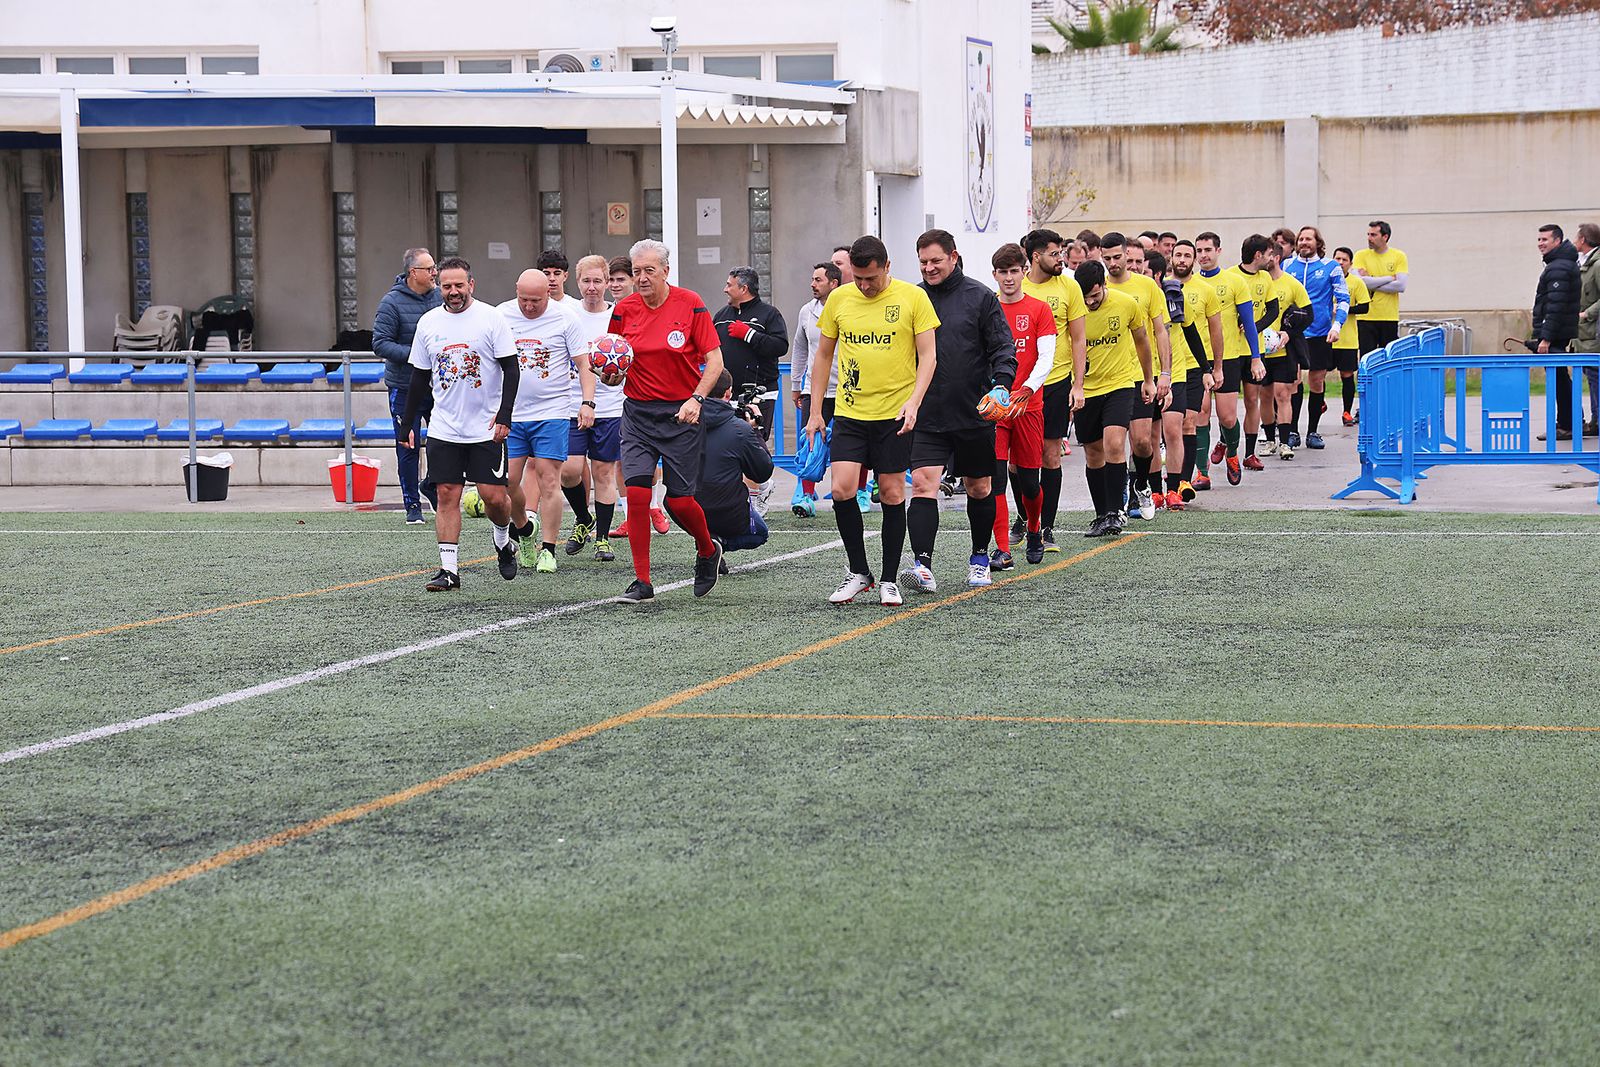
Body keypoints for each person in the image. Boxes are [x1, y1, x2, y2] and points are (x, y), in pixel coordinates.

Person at [804, 234, 938, 606]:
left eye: (871, 279)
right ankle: (860, 572)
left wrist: (914, 402)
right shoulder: (839, 298)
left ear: (888, 268)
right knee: (843, 489)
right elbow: (823, 357)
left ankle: (890, 579)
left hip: (894, 414)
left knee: (893, 494)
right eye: (858, 279)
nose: (864, 286)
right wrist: (816, 411)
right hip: (849, 412)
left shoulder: (913, 298)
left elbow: (928, 357)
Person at [607, 239, 727, 602]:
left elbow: (715, 361)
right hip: (639, 414)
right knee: (639, 494)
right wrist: (608, 376)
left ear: (665, 271)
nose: (641, 278)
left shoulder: (690, 304)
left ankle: (707, 550)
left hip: (682, 414)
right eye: (636, 271)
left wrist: (697, 398)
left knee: (678, 502)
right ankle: (642, 581)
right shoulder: (623, 309)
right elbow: (613, 360)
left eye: (649, 271)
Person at [904, 229, 1017, 591]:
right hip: (927, 413)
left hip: (973, 413)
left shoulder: (980, 297)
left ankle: (980, 557)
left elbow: (1002, 347)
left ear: (954, 257)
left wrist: (1001, 385)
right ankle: (922, 565)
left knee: (979, 487)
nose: (929, 267)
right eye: (923, 262)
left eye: (936, 260)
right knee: (923, 485)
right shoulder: (912, 298)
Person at [400, 257, 520, 591]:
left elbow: (512, 369)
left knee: (494, 498)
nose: (453, 292)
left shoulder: (491, 318)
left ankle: (503, 542)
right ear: (439, 285)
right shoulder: (428, 323)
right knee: (447, 493)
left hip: (486, 427)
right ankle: (449, 570)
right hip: (444, 427)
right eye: (447, 286)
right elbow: (419, 377)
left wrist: (505, 414)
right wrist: (407, 423)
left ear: (471, 284)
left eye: (459, 285)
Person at [496, 270, 595, 573]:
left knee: (549, 480)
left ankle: (549, 549)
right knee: (508, 483)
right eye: (524, 299)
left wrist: (587, 402)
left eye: (536, 301)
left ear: (548, 295)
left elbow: (583, 364)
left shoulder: (566, 317)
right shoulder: (501, 315)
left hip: (551, 412)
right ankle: (525, 530)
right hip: (512, 414)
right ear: (516, 291)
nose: (529, 306)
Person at [1072, 259, 1155, 537]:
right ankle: (1101, 514)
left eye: (1095, 295)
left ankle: (1114, 512)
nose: (1090, 302)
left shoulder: (1125, 304)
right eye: (1085, 298)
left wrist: (1148, 379)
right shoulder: (1075, 307)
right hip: (1086, 389)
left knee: (1115, 443)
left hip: (1120, 383)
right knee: (1094, 454)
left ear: (1104, 285)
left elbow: (1142, 340)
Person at [1020, 228, 1088, 552]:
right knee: (1016, 462)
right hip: (1021, 387)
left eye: (1061, 253)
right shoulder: (1017, 287)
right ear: (1036, 256)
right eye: (1054, 253)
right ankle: (1025, 517)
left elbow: (1078, 338)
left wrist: (1078, 385)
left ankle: (1046, 528)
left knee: (1050, 456)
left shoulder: (1069, 287)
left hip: (1057, 384)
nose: (1060, 258)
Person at [989, 243, 1056, 566]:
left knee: (1030, 484)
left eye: (1014, 271)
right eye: (1003, 272)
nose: (1009, 278)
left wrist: (1027, 389)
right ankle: (1002, 549)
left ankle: (1033, 528)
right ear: (995, 275)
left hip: (1029, 408)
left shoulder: (1040, 309)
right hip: (996, 410)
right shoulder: (988, 309)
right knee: (995, 479)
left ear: (1024, 272)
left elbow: (1046, 357)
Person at [1103, 231, 1171, 520]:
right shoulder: (1097, 287)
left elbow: (1160, 330)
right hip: (1109, 377)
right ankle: (1119, 494)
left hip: (1142, 374)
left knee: (1143, 442)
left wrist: (1164, 373)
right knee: (1114, 443)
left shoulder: (1147, 287)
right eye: (1109, 258)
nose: (1116, 263)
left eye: (1120, 257)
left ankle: (1141, 483)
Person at [560, 254, 622, 563]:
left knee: (603, 472)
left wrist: (618, 374)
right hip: (570, 405)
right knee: (569, 471)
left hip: (610, 407)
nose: (593, 287)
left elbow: (630, 359)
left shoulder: (618, 315)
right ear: (577, 281)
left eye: (599, 281)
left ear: (608, 282)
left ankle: (602, 540)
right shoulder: (566, 314)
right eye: (587, 281)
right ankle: (584, 517)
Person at [373, 247, 442, 524]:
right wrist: (416, 356)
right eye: (430, 268)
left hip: (439, 386)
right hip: (404, 386)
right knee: (408, 445)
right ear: (414, 273)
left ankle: (432, 485)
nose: (435, 273)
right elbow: (380, 343)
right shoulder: (391, 303)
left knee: (444, 444)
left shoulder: (440, 297)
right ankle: (412, 505)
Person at [1196, 231, 1265, 486]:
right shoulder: (1189, 284)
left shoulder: (1235, 282)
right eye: (1199, 251)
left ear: (1218, 251)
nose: (1203, 255)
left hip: (1228, 359)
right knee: (1200, 414)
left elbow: (1248, 322)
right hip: (1197, 361)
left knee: (1226, 416)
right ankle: (1201, 472)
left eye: (1207, 250)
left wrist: (1256, 358)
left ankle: (1233, 454)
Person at [1167, 239, 1225, 505]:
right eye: (1178, 254)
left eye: (1186, 255)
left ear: (1193, 260)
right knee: (1171, 427)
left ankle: (1183, 483)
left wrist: (1216, 367)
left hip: (1195, 367)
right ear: (1171, 257)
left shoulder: (1205, 290)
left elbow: (1215, 330)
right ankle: (1166, 482)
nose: (1182, 259)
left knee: (1189, 422)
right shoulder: (1162, 288)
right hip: (1170, 365)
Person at [696, 370, 776, 560]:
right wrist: (755, 430)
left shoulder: (686, 420)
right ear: (728, 393)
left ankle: (706, 540)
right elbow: (762, 472)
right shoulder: (740, 429)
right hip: (727, 509)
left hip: (684, 509)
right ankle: (716, 545)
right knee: (759, 534)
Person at [1283, 225, 1350, 450]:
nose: (1304, 242)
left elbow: (1343, 299)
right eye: (1301, 239)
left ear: (1318, 243)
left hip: (1320, 332)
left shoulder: (1331, 267)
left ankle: (1313, 431)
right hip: (1292, 334)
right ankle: (1292, 431)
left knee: (1316, 381)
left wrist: (1337, 326)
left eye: (1308, 239)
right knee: (1292, 382)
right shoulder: (1287, 265)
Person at [712, 265, 789, 452]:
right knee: (726, 443)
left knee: (754, 443)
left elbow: (780, 346)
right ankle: (734, 482)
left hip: (759, 395)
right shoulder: (721, 316)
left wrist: (749, 335)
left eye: (729, 285)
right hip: (726, 394)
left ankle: (760, 481)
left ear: (743, 289)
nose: (725, 289)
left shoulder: (769, 314)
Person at [790, 261, 844, 517]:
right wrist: (795, 383)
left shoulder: (848, 307)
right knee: (810, 439)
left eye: (818, 280)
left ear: (834, 283)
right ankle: (805, 495)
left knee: (845, 445)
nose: (813, 284)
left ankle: (848, 492)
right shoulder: (806, 311)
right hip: (815, 389)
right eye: (812, 279)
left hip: (845, 389)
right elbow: (800, 348)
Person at [1259, 245, 1312, 460]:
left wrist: (1288, 332)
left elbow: (1309, 314)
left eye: (1268, 254)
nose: (1264, 258)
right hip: (1260, 350)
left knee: (1282, 394)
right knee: (1265, 395)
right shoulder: (1257, 282)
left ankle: (1284, 441)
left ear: (1277, 257)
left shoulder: (1291, 284)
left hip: (1283, 351)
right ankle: (1270, 440)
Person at [1230, 235, 1278, 472]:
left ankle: (1249, 453)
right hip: (1229, 351)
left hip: (1253, 351)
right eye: (1269, 254)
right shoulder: (1230, 276)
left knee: (1251, 400)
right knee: (1226, 408)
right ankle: (1226, 445)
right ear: (1258, 255)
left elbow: (1273, 310)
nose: (1272, 259)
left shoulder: (1265, 278)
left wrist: (1253, 326)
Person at [1533, 223, 1582, 438]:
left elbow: (1555, 306)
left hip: (1555, 334)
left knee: (1559, 379)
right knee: (1560, 378)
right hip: (1558, 332)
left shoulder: (1559, 267)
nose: (1540, 244)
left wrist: (1545, 338)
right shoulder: (1560, 264)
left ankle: (1566, 425)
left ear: (1557, 241)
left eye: (1545, 239)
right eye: (1539, 240)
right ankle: (1570, 422)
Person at [1352, 221, 1408, 360]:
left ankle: (1388, 383)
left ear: (1385, 237)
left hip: (1388, 317)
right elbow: (1360, 282)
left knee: (1389, 360)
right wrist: (1389, 278)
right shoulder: (1360, 255)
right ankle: (1367, 383)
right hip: (1366, 317)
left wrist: (1371, 280)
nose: (1369, 238)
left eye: (1373, 235)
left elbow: (1401, 286)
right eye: (1368, 234)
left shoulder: (1398, 256)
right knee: (1367, 359)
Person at [1329, 247, 1370, 425]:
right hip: (1326, 337)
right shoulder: (1325, 280)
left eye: (1344, 259)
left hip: (1347, 338)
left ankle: (1346, 411)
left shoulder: (1356, 282)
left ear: (1350, 264)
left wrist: (1343, 309)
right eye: (1337, 258)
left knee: (1347, 376)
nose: (1340, 262)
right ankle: (1319, 403)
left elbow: (1365, 307)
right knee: (1318, 374)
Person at [1577, 223, 1600, 433]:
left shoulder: (1597, 264)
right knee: (1589, 372)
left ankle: (1597, 420)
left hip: (1593, 329)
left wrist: (1586, 314)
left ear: (1583, 239)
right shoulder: (1583, 262)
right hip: (1584, 331)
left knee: (1594, 374)